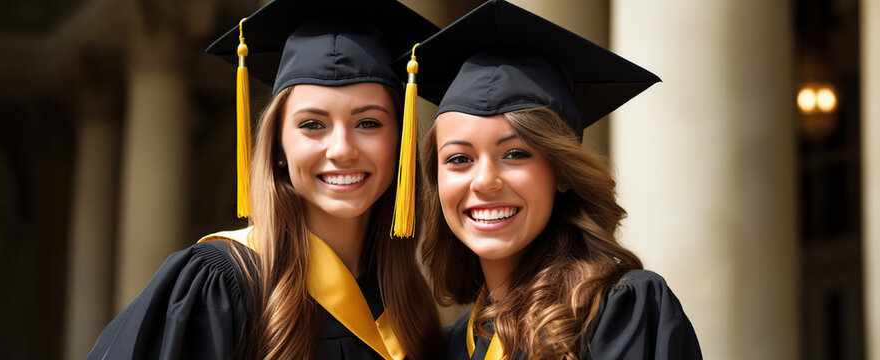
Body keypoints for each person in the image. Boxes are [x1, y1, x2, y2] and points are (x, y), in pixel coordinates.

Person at [86, 0, 441, 359]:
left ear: (400, 141)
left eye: (368, 123)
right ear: (279, 147)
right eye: (312, 125)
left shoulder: (408, 306)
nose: (342, 150)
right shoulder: (219, 285)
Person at [410, 1, 703, 359]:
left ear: (562, 172)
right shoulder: (448, 347)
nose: (484, 181)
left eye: (515, 154)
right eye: (459, 159)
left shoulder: (620, 311)